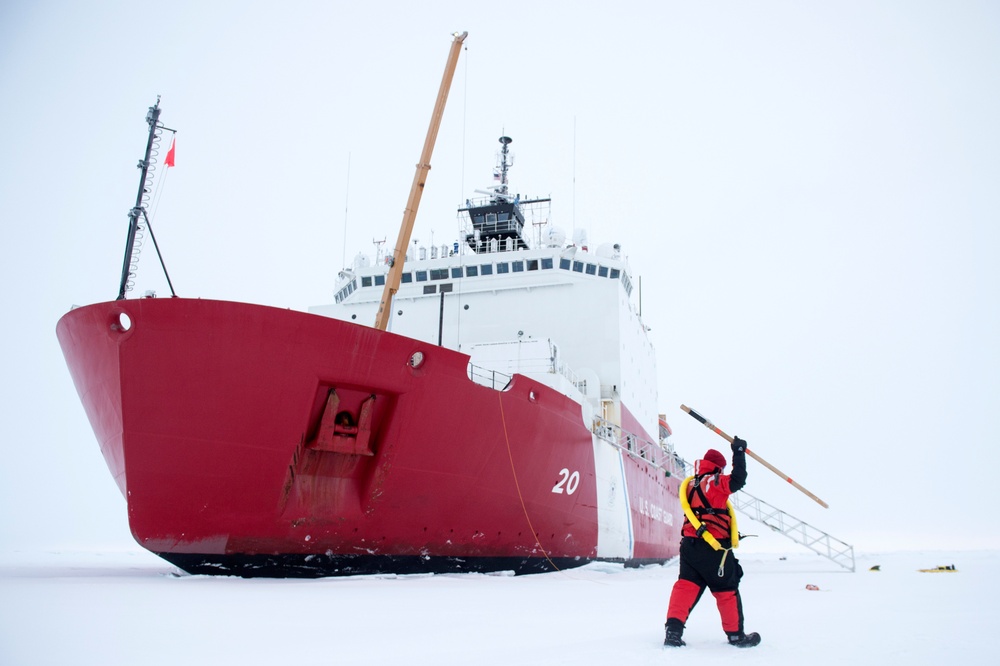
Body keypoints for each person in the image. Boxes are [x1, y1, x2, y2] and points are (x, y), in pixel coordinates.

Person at [663, 436, 761, 648]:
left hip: (689, 546)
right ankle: (736, 636)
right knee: (726, 589)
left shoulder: (691, 485)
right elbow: (738, 479)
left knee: (686, 587)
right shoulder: (713, 482)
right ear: (718, 468)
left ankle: (672, 633)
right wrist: (739, 452)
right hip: (713, 548)